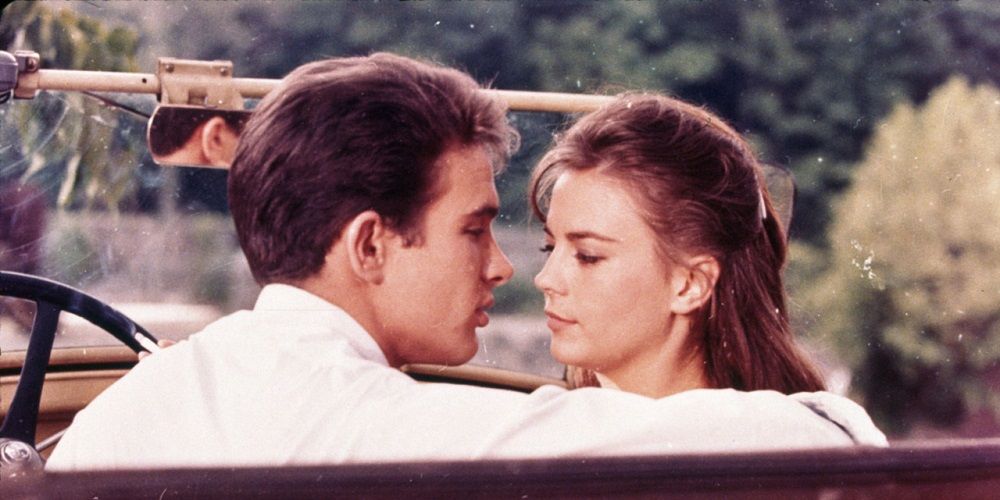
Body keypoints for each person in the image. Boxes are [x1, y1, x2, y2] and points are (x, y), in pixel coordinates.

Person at [46, 53, 884, 471]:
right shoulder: (371, 426)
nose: (508, 269)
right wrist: (834, 421)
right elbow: (815, 439)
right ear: (369, 245)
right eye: (475, 229)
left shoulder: (138, 405)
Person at [530, 93, 851, 407]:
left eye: (588, 256)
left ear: (690, 284)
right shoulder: (555, 416)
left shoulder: (760, 435)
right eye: (550, 247)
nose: (545, 280)